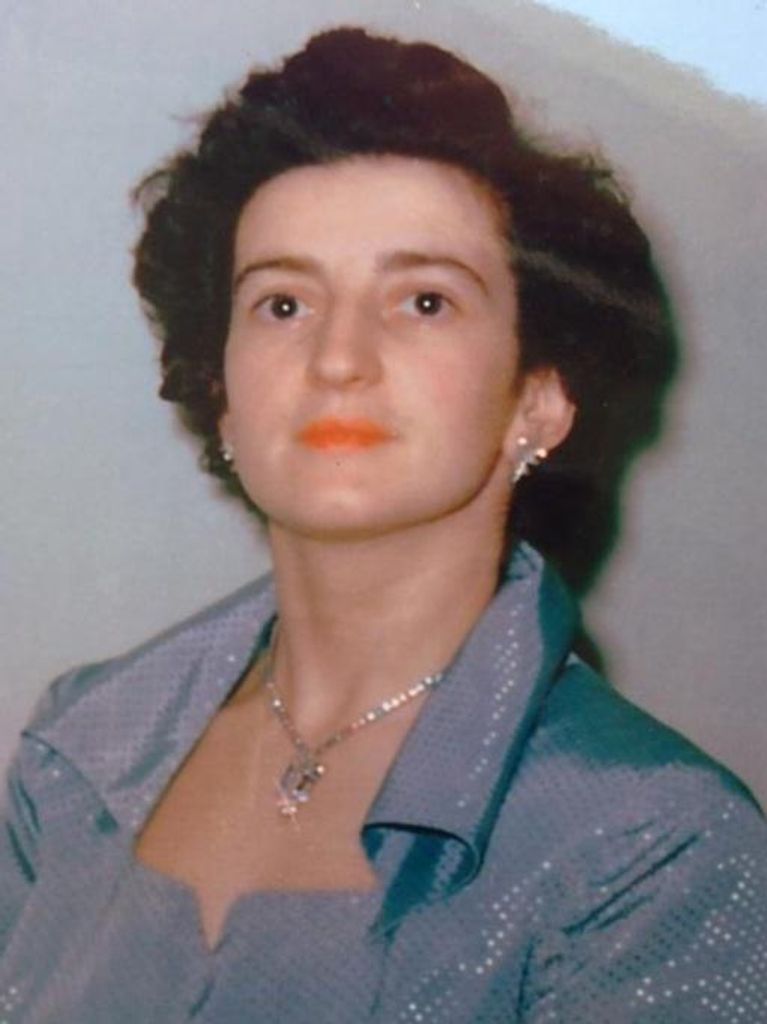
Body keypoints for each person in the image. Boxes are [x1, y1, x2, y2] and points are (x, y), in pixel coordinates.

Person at [1, 26, 765, 1024]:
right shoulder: (79, 747)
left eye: (423, 301)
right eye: (282, 304)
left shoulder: (653, 848)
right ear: (222, 393)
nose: (337, 358)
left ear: (537, 398)